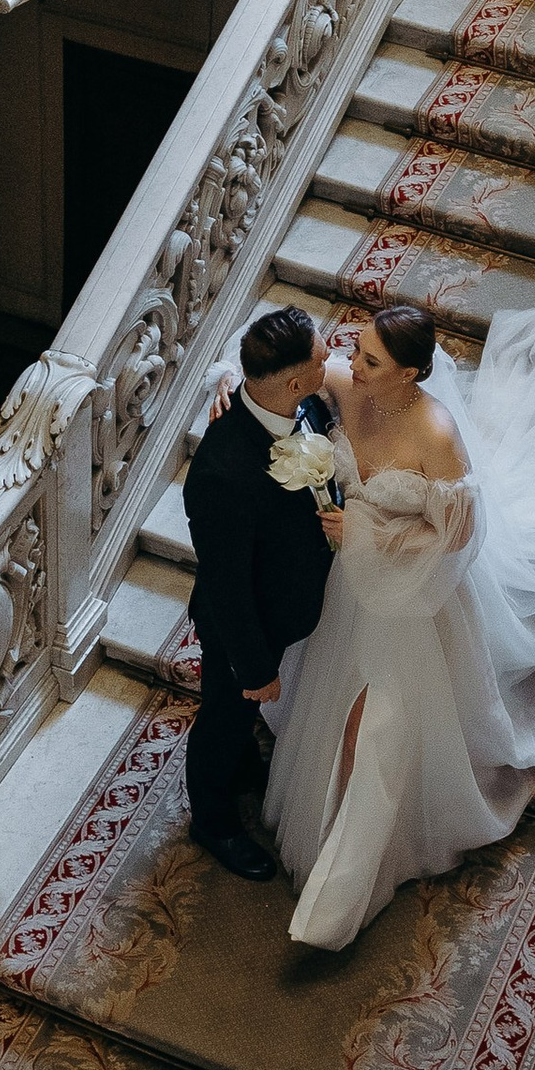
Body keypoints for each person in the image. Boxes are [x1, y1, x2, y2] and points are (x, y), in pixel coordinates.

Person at [264, 290, 535, 952]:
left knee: (378, 730)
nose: (354, 364)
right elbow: (285, 368)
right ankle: (328, 835)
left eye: (372, 360)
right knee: (336, 710)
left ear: (410, 375)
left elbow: (456, 536)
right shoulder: (349, 385)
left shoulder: (435, 435)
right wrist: (228, 391)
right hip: (349, 594)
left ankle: (340, 900)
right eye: (358, 351)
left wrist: (365, 532)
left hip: (414, 601)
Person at [180, 302, 337, 881]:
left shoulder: (306, 404)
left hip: (288, 602)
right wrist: (253, 669)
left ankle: (246, 763)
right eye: (323, 353)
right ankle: (213, 821)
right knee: (223, 716)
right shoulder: (222, 473)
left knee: (240, 729)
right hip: (243, 628)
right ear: (295, 379)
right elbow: (228, 587)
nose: (332, 354)